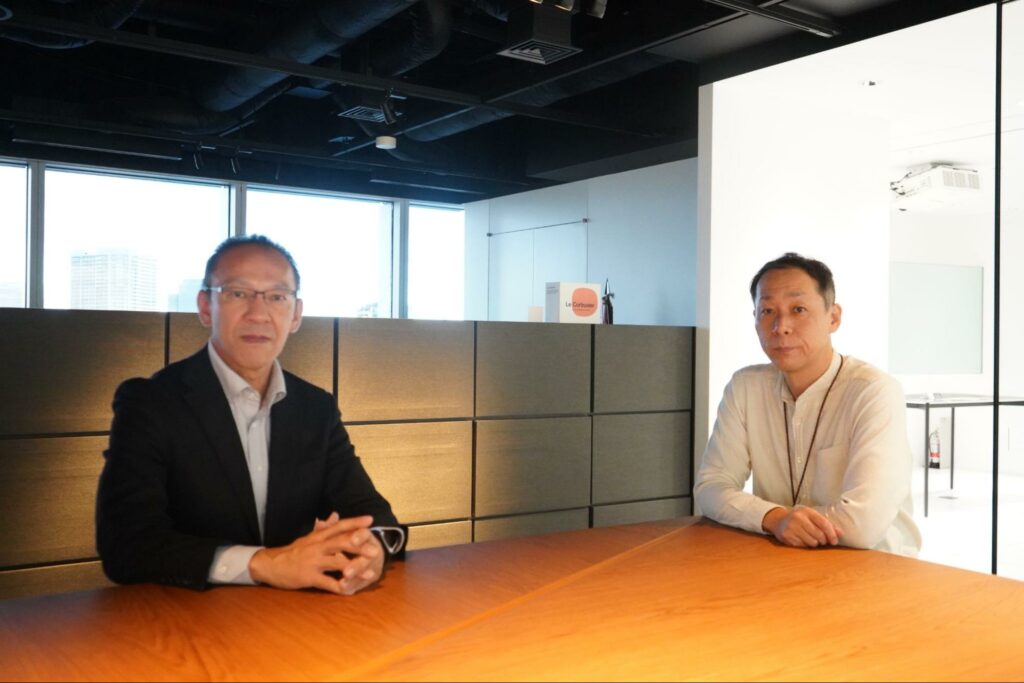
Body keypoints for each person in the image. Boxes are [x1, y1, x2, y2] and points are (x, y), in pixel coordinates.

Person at [97, 235, 404, 595]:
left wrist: (372, 550)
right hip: (187, 617)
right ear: (206, 307)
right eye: (238, 293)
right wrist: (264, 564)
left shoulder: (315, 407)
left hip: (293, 616)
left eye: (277, 297)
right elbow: (126, 545)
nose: (258, 313)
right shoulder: (151, 403)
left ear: (296, 315)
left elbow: (371, 514)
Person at [694, 252, 921, 556]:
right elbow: (710, 487)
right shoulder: (746, 387)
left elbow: (863, 525)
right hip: (782, 558)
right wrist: (774, 518)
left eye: (798, 309)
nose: (781, 326)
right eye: (767, 311)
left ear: (833, 317)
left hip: (875, 565)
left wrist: (773, 519)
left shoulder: (873, 391)